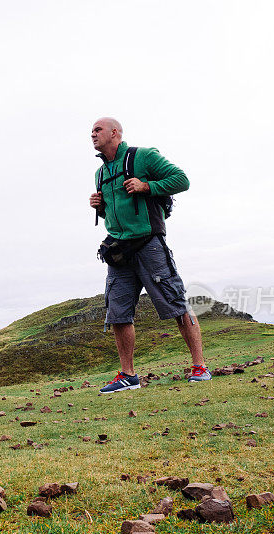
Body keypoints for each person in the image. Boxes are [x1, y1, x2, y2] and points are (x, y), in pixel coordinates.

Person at [88, 117, 210, 393]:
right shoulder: (100, 172)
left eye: (97, 130)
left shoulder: (143, 156)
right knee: (117, 313)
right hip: (118, 250)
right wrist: (99, 206)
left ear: (114, 132)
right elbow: (114, 212)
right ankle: (128, 376)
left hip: (149, 244)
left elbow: (182, 180)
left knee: (175, 303)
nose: (92, 134)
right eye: (91, 131)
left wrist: (147, 187)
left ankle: (200, 366)